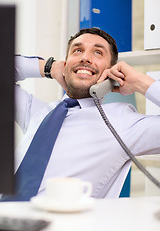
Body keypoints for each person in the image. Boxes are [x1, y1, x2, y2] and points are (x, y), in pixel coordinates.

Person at [15, 28, 160, 199]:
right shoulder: (37, 112)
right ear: (66, 63)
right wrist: (50, 67)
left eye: (98, 52)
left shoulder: (123, 123)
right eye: (77, 50)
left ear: (111, 71)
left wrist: (140, 82)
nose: (85, 58)